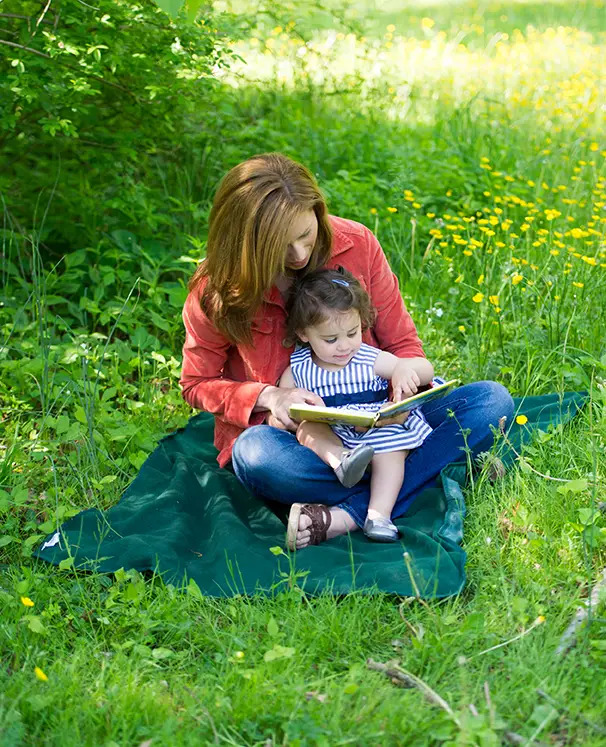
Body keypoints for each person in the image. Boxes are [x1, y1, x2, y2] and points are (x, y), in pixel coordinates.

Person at [180, 152, 514, 551]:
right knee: (255, 455)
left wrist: (401, 396)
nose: (300, 255)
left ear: (317, 213)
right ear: (245, 244)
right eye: (278, 247)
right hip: (304, 445)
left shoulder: (356, 245)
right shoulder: (217, 288)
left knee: (491, 400)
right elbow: (196, 382)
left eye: (306, 234)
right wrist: (270, 396)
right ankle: (419, 478)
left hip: (385, 425)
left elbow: (404, 345)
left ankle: (347, 515)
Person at [280, 267, 434, 546]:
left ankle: (378, 515)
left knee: (391, 452)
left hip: (377, 431)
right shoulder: (299, 367)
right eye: (330, 340)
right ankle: (342, 461)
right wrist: (291, 404)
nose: (344, 346)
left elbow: (426, 369)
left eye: (353, 333)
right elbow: (285, 401)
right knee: (307, 428)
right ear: (304, 334)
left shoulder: (367, 358)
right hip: (334, 436)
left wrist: (402, 369)